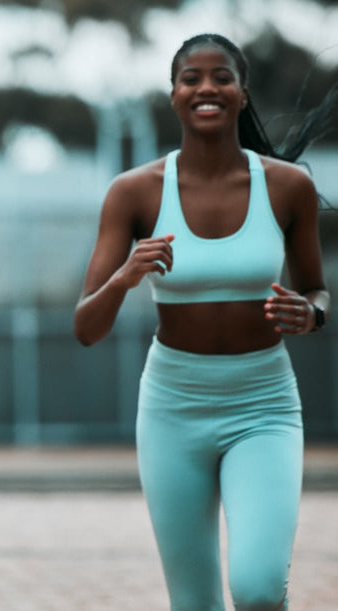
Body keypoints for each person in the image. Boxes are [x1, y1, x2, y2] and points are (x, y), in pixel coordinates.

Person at [75, 33, 335, 610]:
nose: (206, 88)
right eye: (191, 78)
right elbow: (86, 327)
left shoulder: (287, 187)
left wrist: (312, 312)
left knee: (260, 589)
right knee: (194, 603)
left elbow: (318, 287)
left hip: (263, 403)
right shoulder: (134, 192)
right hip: (172, 406)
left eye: (222, 77)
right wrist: (126, 276)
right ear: (173, 95)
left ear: (243, 94)